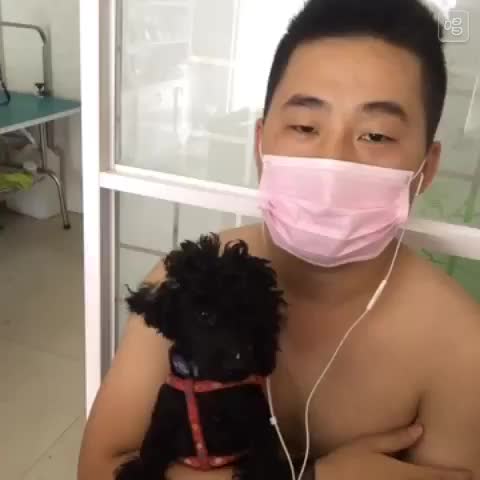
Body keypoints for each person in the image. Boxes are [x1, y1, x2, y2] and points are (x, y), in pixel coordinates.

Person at [78, 0, 480, 478]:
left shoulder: (459, 345)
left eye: (375, 136)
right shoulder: (187, 285)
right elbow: (99, 467)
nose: (333, 160)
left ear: (426, 169)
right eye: (305, 127)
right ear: (260, 144)